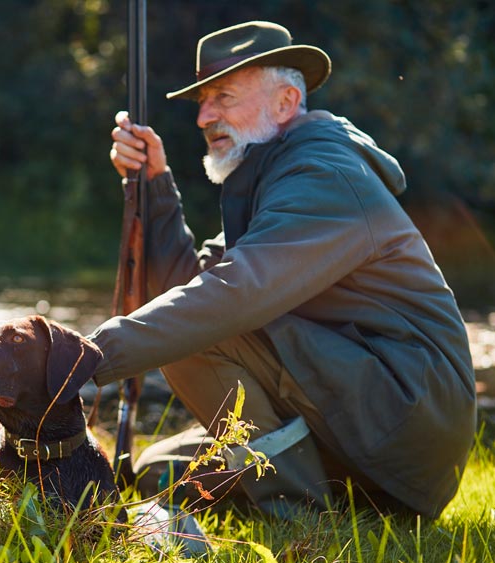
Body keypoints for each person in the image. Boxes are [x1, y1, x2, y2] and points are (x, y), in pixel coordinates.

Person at [88, 21, 476, 518]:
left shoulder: (323, 175)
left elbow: (228, 299)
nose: (204, 116)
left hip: (406, 431)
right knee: (158, 470)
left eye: (223, 96)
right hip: (362, 414)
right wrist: (155, 184)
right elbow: (185, 289)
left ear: (286, 102)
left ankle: (297, 513)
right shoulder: (272, 172)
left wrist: (88, 356)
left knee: (198, 324)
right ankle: (313, 491)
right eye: (203, 100)